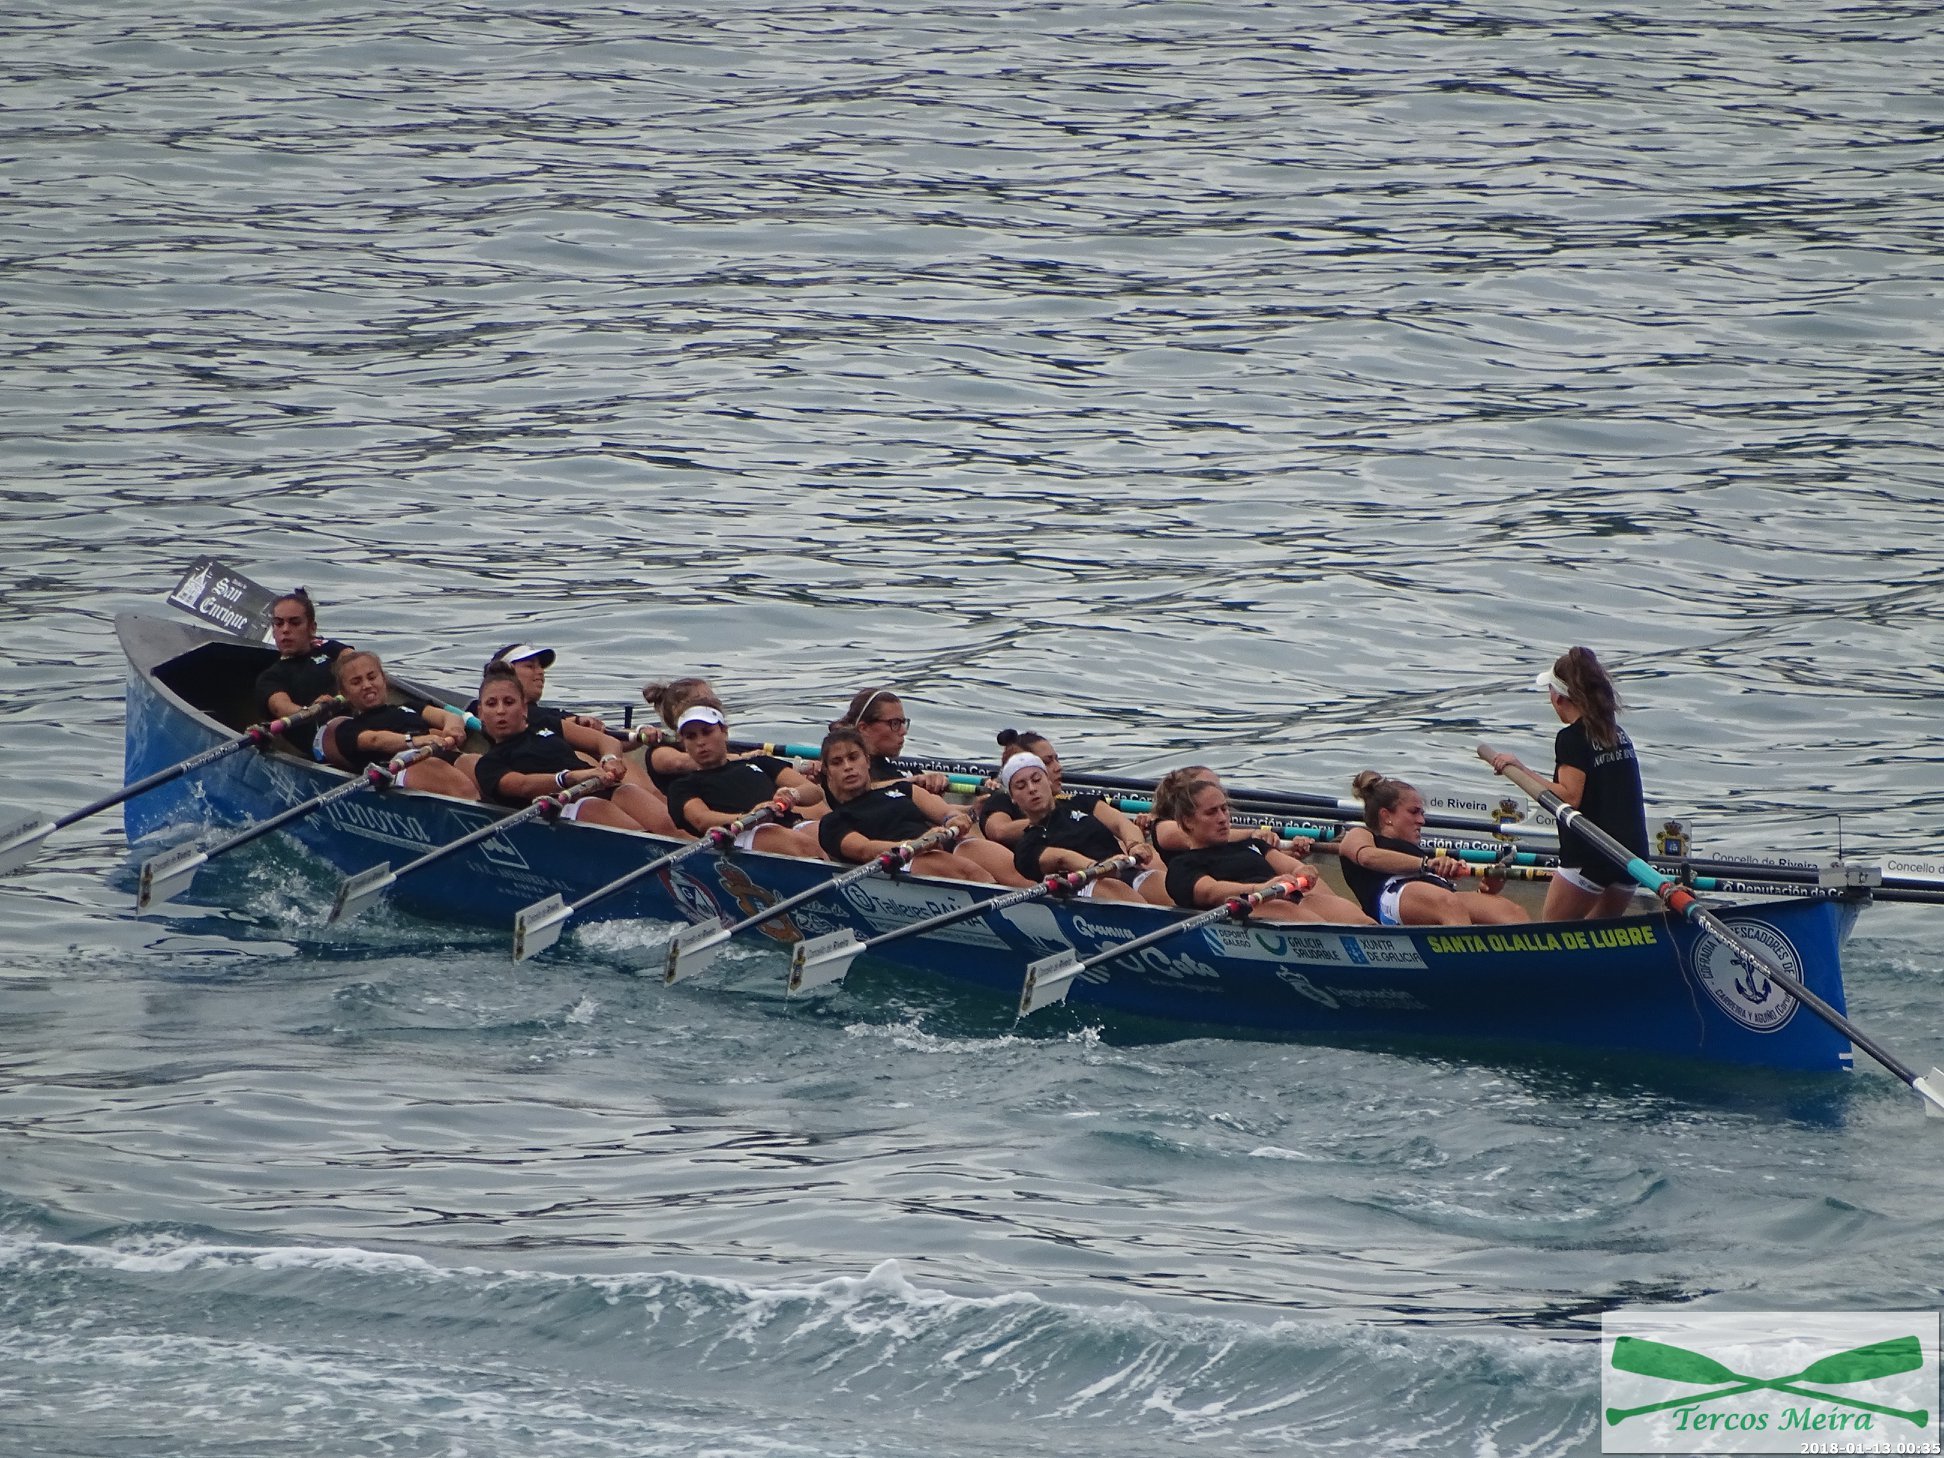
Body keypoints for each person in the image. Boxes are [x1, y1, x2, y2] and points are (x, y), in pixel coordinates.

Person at [1486, 647, 1648, 920]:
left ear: (1560, 697)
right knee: (1600, 940)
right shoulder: (1617, 733)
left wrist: (1520, 769)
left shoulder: (1571, 737)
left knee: (1554, 934)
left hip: (1591, 855)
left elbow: (1570, 797)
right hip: (1631, 856)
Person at [472, 663, 672, 833]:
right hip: (565, 807)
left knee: (649, 809)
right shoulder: (488, 765)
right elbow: (523, 784)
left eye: (509, 702)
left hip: (599, 786)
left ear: (523, 708)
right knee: (609, 816)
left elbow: (604, 741)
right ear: (481, 713)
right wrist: (571, 777)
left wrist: (610, 759)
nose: (500, 711)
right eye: (491, 704)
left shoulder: (546, 724)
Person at [1164, 777, 1372, 924]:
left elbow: (1290, 865)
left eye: (1224, 809)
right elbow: (1211, 891)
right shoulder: (1182, 866)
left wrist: (1303, 870)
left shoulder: (1250, 843)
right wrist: (1262, 888)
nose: (1222, 818)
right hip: (1249, 911)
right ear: (1188, 821)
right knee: (1284, 909)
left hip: (1285, 901)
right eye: (1211, 812)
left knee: (1328, 903)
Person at [1339, 772, 1527, 926]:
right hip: (1390, 898)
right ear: (1386, 815)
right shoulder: (1360, 834)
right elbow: (1367, 857)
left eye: (1422, 813)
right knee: (1448, 903)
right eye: (1414, 812)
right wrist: (1427, 865)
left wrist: (1486, 890)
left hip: (1439, 899)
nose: (1422, 820)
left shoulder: (1419, 853)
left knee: (1510, 912)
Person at [816, 728, 1002, 882]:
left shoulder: (904, 789)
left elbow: (945, 812)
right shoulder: (833, 822)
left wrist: (955, 819)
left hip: (935, 847)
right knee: (967, 870)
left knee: (985, 853)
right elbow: (865, 850)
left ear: (867, 760)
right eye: (837, 762)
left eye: (853, 757)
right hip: (898, 862)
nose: (848, 767)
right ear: (828, 771)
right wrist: (918, 845)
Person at [665, 704, 826, 857]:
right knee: (796, 843)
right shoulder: (682, 786)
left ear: (724, 732)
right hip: (738, 835)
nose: (700, 742)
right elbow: (701, 819)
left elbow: (814, 791)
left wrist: (792, 794)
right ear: (684, 744)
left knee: (827, 833)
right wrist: (749, 816)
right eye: (691, 737)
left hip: (791, 823)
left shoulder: (760, 762)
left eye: (707, 732)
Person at [1001, 751, 1163, 903]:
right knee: (1111, 886)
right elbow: (1062, 858)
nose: (1032, 789)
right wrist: (1099, 867)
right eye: (1021, 786)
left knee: (1159, 881)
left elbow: (1120, 823)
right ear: (1013, 798)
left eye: (1036, 780)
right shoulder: (1026, 848)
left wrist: (1135, 845)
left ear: (1048, 781)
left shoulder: (1080, 802)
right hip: (1084, 885)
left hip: (1122, 869)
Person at [324, 650, 478, 799]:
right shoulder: (347, 729)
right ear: (344, 693)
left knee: (475, 764)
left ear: (383, 679)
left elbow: (448, 716)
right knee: (461, 786)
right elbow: (375, 740)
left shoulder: (410, 706)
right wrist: (416, 741)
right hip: (402, 766)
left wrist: (454, 728)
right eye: (356, 682)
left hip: (437, 752)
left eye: (372, 677)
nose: (367, 685)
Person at [253, 589, 353, 756]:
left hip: (356, 724)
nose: (285, 629)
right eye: (279, 623)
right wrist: (312, 710)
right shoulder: (271, 677)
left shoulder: (331, 649)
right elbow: (282, 708)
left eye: (294, 622)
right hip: (322, 744)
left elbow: (360, 664)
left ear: (312, 628)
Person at [832, 688, 950, 795]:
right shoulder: (851, 774)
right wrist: (911, 782)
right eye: (895, 723)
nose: (904, 731)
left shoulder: (909, 771)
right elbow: (861, 790)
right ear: (864, 728)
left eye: (903, 723)